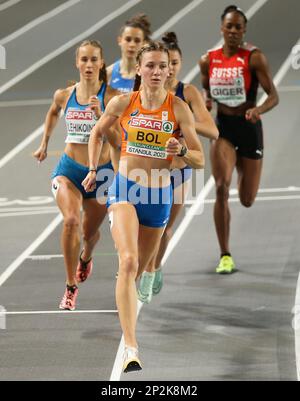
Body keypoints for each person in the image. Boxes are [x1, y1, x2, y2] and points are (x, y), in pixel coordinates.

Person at [82, 41, 205, 372]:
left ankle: (132, 320)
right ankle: (130, 346)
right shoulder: (124, 102)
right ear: (139, 69)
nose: (155, 71)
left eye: (161, 66)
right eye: (148, 65)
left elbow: (199, 159)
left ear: (168, 70)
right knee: (128, 260)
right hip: (125, 189)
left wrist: (180, 150)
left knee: (140, 269)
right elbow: (96, 133)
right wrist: (94, 169)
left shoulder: (178, 108)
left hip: (158, 196)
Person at [34, 40, 119, 310]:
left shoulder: (113, 97)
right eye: (84, 60)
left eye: (94, 59)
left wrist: (101, 114)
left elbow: (119, 140)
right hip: (69, 170)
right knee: (70, 220)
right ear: (77, 63)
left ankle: (87, 256)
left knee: (89, 233)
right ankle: (71, 287)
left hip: (102, 175)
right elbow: (52, 112)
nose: (89, 65)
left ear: (102, 63)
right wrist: (44, 143)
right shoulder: (64, 94)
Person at [138, 32, 219, 304]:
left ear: (180, 64)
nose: (168, 68)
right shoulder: (145, 91)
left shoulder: (188, 93)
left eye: (174, 62)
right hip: (146, 169)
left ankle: (152, 268)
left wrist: (181, 121)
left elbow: (212, 130)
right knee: (142, 227)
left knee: (164, 228)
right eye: (164, 62)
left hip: (178, 169)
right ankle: (137, 268)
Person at [199, 5, 279, 274]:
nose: (233, 31)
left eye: (238, 27)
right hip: (222, 128)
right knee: (221, 186)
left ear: (244, 30)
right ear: (221, 28)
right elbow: (206, 91)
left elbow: (273, 95)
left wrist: (258, 110)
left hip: (248, 128)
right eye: (228, 26)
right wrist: (206, 102)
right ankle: (225, 254)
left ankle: (243, 165)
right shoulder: (208, 60)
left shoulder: (254, 58)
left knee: (247, 199)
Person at [106, 13, 151, 93]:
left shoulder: (149, 76)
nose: (132, 45)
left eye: (137, 40)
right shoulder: (107, 74)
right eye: (128, 39)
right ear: (120, 40)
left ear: (144, 44)